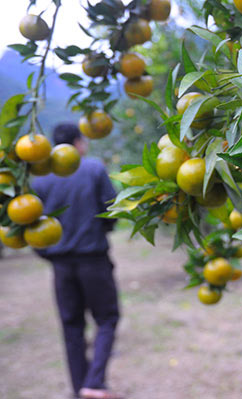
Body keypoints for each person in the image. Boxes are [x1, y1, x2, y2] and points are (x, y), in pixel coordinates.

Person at [32, 123, 123, 399]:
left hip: (61, 265)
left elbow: (29, 225)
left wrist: (48, 254)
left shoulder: (39, 179)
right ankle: (93, 384)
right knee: (107, 318)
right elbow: (112, 211)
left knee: (71, 326)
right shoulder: (93, 168)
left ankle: (79, 388)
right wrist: (99, 232)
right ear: (77, 142)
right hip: (93, 259)